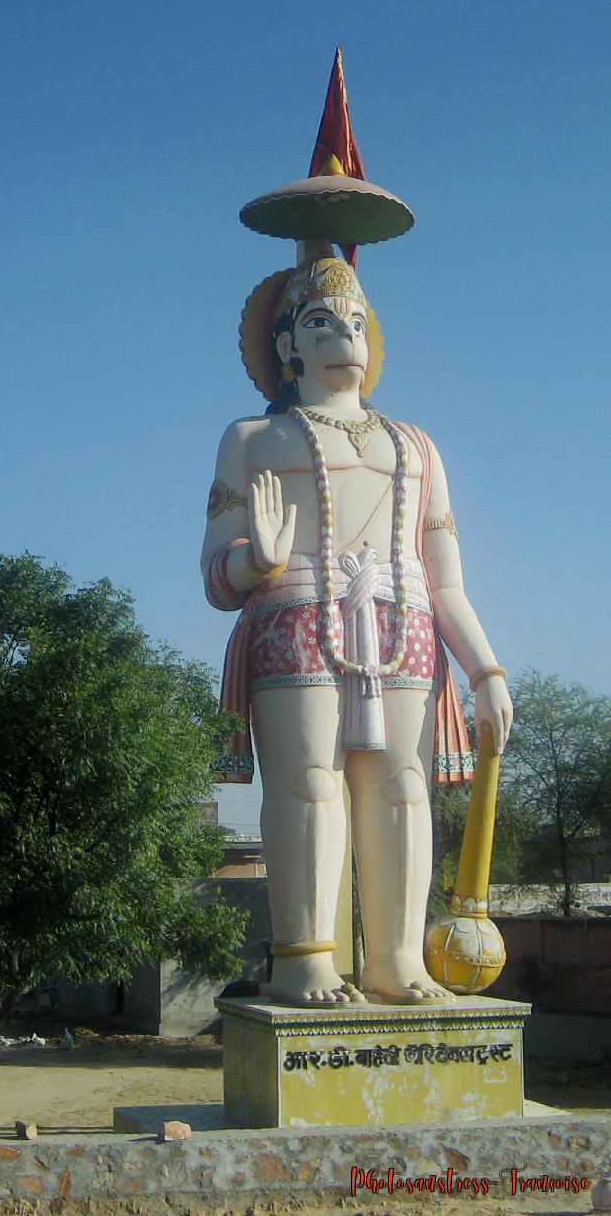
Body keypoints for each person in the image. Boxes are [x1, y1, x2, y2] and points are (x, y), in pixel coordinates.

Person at [202, 244, 512, 1005]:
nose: (343, 335)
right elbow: (214, 572)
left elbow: (447, 581)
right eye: (320, 321)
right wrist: (256, 560)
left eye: (354, 321)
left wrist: (486, 671)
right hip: (296, 613)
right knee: (310, 784)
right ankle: (304, 957)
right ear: (286, 344)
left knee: (403, 788)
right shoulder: (252, 439)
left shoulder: (416, 446)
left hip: (406, 621)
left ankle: (397, 959)